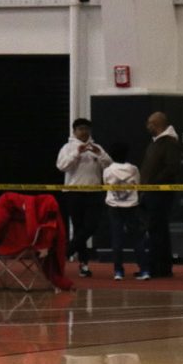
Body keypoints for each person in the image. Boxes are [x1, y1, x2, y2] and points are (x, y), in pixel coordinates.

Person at [55, 117, 111, 277]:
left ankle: (67, 251)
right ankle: (84, 265)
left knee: (91, 226)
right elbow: (61, 166)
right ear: (74, 131)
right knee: (79, 228)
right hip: (74, 193)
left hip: (94, 192)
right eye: (80, 129)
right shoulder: (67, 148)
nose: (84, 132)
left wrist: (99, 153)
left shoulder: (97, 147)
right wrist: (76, 154)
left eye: (86, 129)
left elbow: (109, 164)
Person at [139, 111, 183, 278]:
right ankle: (157, 266)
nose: (147, 126)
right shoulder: (156, 143)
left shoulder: (169, 143)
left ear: (157, 125)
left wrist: (154, 184)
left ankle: (160, 268)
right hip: (151, 192)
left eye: (150, 123)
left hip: (160, 193)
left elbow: (172, 167)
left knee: (158, 230)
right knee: (156, 229)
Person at [102, 142, 150, 281]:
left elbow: (106, 184)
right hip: (131, 206)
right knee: (137, 239)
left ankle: (118, 271)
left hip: (114, 207)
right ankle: (144, 270)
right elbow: (138, 183)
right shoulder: (134, 169)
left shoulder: (108, 170)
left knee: (117, 239)